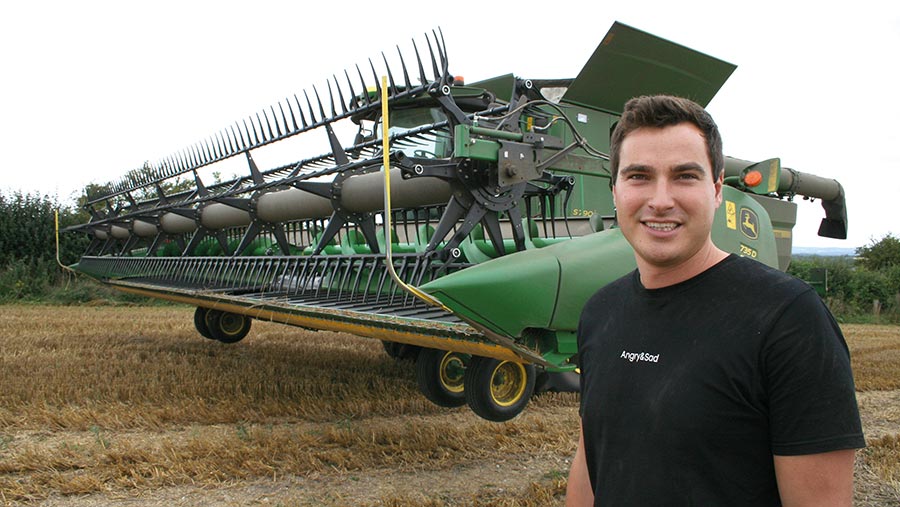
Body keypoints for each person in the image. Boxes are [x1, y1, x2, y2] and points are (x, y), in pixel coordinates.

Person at [566, 95, 864, 506]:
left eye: (685, 176)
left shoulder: (788, 319)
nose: (661, 199)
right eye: (639, 176)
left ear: (718, 189)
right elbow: (591, 461)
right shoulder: (600, 312)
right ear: (614, 190)